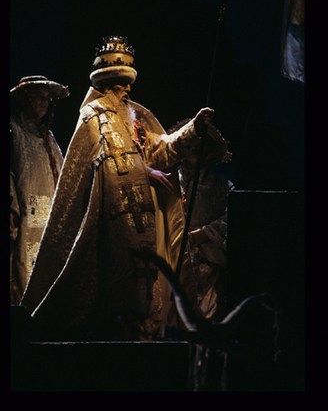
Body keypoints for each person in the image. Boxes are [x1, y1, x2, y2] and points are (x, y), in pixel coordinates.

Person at [20, 35, 214, 341]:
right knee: (120, 290)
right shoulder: (92, 117)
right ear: (110, 83)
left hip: (144, 216)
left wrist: (192, 131)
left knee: (148, 283)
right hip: (111, 221)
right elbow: (104, 170)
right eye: (122, 85)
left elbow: (159, 149)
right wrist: (145, 173)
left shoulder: (132, 118)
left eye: (127, 85)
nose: (127, 91)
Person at [10, 75, 70, 305]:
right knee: (23, 269)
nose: (45, 102)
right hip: (25, 215)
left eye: (47, 98)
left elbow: (63, 175)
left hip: (50, 220)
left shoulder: (48, 137)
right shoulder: (13, 130)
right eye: (38, 97)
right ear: (25, 99)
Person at [167, 119, 234, 322]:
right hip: (173, 259)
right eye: (189, 143)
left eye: (199, 144)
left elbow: (234, 216)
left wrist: (204, 233)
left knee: (207, 318)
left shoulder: (221, 185)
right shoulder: (167, 180)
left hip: (208, 265)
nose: (194, 148)